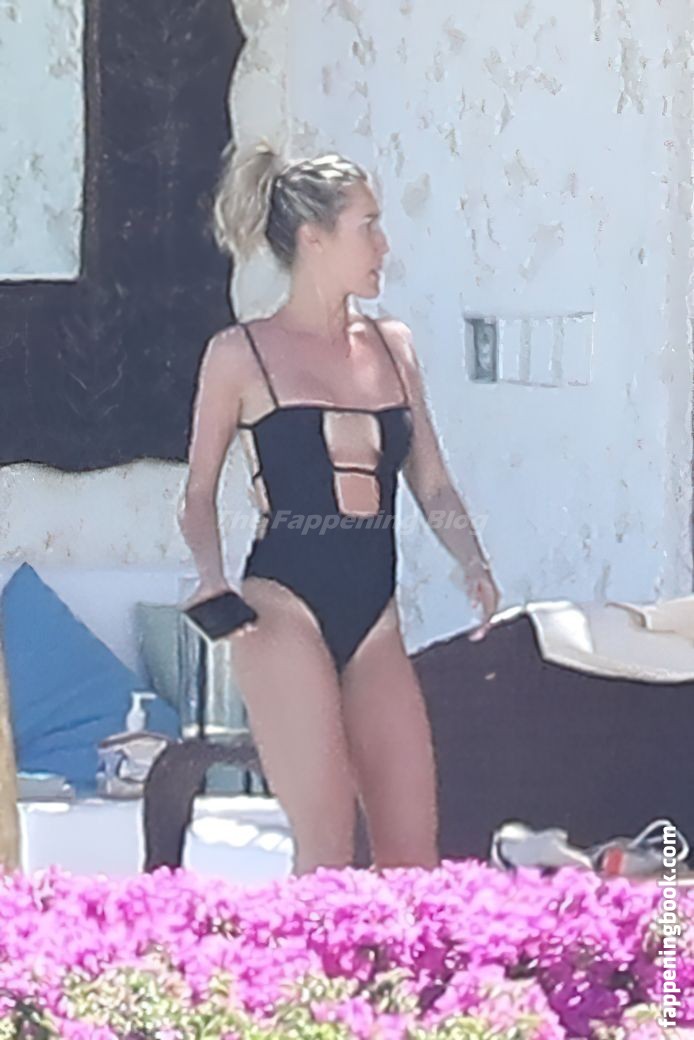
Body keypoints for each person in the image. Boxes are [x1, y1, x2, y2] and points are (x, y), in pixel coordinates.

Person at [178, 142, 500, 876]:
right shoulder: (240, 354)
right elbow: (197, 493)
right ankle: (300, 958)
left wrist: (472, 561)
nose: (384, 245)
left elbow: (432, 483)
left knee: (411, 856)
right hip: (279, 608)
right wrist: (211, 576)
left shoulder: (393, 347)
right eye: (369, 226)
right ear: (313, 238)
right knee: (326, 848)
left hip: (373, 613)